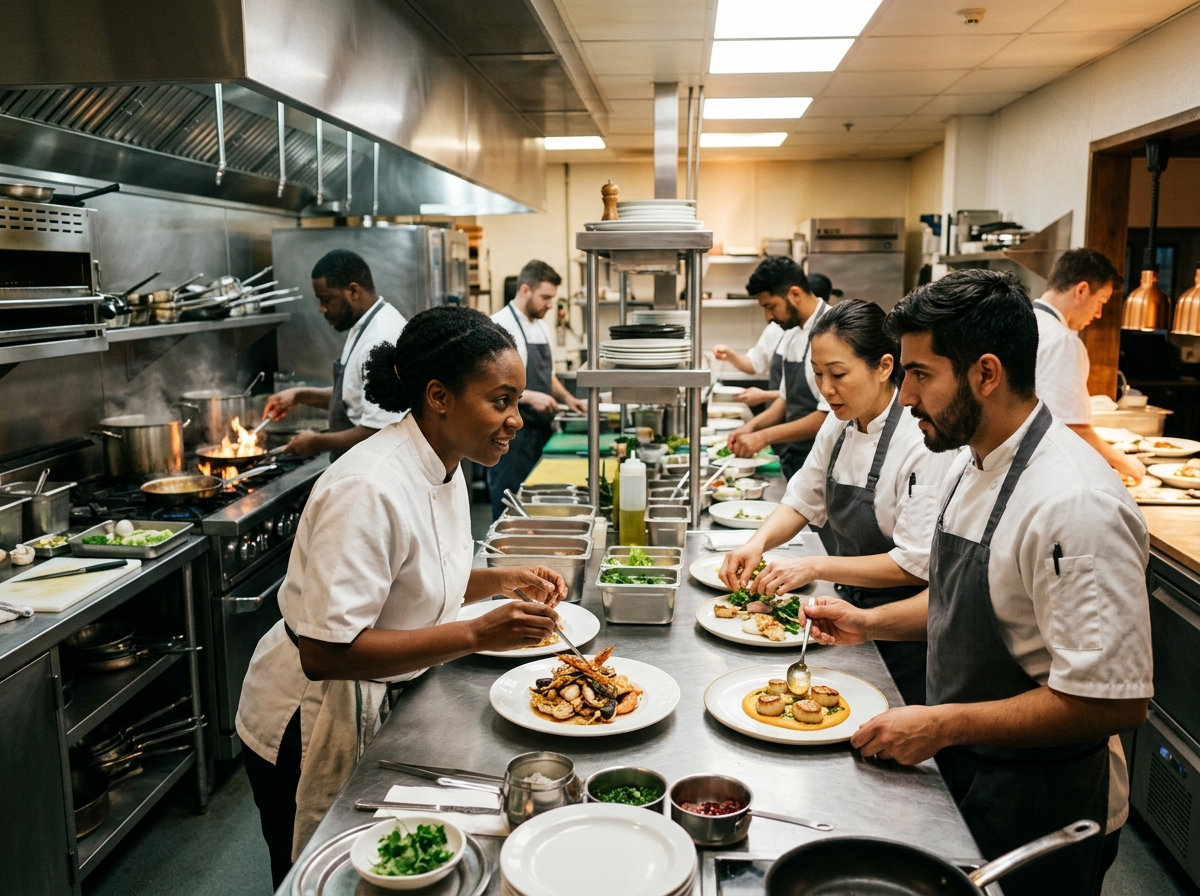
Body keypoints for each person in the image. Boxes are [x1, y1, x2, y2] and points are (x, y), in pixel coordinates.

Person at [800, 269, 1153, 896]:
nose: (905, 398)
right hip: (970, 772)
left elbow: (1111, 700)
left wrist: (945, 723)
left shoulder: (1074, 503)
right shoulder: (972, 462)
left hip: (1043, 803)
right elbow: (969, 597)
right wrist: (870, 623)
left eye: (920, 375)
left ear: (986, 374)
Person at [237, 306, 568, 887]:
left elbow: (415, 580)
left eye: (518, 401)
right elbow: (323, 652)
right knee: (320, 877)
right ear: (439, 396)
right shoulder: (368, 487)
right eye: (501, 400)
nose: (515, 419)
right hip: (309, 719)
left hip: (389, 696)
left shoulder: (448, 461)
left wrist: (501, 579)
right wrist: (476, 633)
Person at [718, 300, 957, 706]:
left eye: (838, 374)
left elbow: (914, 564)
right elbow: (801, 497)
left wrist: (814, 565)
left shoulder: (920, 444)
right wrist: (756, 543)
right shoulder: (839, 422)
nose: (826, 389)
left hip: (902, 630)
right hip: (848, 615)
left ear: (884, 367)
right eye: (817, 375)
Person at [261, 250, 407, 461]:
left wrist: (317, 442)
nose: (322, 309)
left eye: (326, 299)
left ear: (353, 291)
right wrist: (299, 396)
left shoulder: (380, 338)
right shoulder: (364, 327)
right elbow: (355, 396)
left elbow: (380, 431)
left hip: (376, 471)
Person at [1033, 248, 1145, 484]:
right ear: (1082, 290)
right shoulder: (1061, 340)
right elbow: (1071, 427)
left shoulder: (1027, 321)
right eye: (1101, 302)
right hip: (1040, 472)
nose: (1099, 313)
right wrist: (1124, 463)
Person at [488, 259, 586, 518]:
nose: (550, 304)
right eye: (545, 297)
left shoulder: (543, 328)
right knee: (510, 504)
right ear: (524, 290)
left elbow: (548, 376)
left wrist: (568, 398)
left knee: (537, 504)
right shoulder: (497, 326)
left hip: (539, 431)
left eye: (553, 298)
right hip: (508, 434)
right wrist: (530, 397)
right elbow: (489, 386)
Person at [725, 257, 830, 479]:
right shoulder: (792, 333)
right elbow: (784, 400)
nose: (768, 317)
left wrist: (763, 437)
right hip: (798, 458)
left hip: (825, 462)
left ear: (794, 294)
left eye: (770, 306)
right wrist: (750, 428)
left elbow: (827, 416)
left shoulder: (832, 331)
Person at [710, 321, 783, 408]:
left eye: (771, 307)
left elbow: (798, 394)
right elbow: (754, 364)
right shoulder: (775, 329)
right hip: (775, 410)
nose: (768, 316)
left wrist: (765, 395)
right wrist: (730, 355)